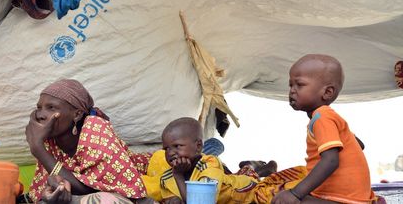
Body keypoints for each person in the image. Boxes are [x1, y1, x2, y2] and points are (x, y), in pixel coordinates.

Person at [25, 79, 153, 204]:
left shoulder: (95, 129)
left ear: (77, 114)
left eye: (51, 108)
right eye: (39, 107)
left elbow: (91, 190)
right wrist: (55, 188)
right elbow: (48, 190)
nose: (41, 114)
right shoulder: (49, 140)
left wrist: (37, 148)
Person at [272, 54, 376, 204]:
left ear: (327, 92)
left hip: (345, 200)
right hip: (353, 197)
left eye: (300, 84)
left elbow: (331, 161)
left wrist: (295, 194)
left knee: (283, 199)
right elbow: (359, 145)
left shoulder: (322, 118)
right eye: (291, 85)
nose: (292, 91)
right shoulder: (328, 117)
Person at [153, 117, 306, 204]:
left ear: (198, 146)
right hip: (226, 186)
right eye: (166, 149)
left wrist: (179, 176)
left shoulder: (209, 163)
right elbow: (172, 199)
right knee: (240, 173)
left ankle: (259, 167)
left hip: (245, 191)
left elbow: (198, 202)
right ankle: (252, 166)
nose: (171, 153)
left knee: (263, 185)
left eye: (177, 146)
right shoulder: (167, 177)